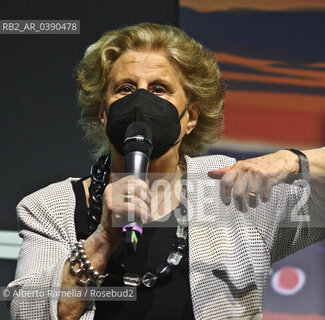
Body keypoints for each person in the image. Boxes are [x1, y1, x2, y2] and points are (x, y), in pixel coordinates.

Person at [6, 23, 325, 320]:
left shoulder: (234, 191)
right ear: (103, 113)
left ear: (191, 117)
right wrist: (102, 239)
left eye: (159, 89)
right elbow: (27, 311)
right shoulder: (51, 207)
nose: (141, 102)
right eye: (126, 89)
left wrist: (293, 160)